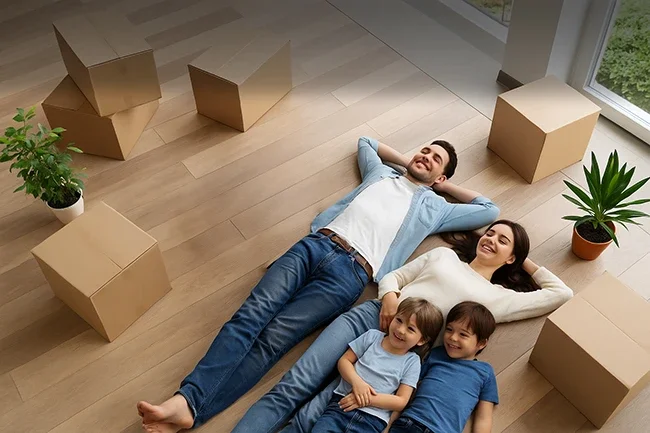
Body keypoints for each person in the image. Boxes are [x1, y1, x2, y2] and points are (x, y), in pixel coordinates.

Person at [137, 136, 500, 432]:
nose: (426, 156)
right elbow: (367, 142)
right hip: (315, 245)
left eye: (436, 159)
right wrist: (409, 162)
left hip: (353, 273)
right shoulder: (381, 175)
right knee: (249, 317)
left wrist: (439, 184)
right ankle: (187, 401)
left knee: (273, 340)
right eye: (425, 149)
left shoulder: (435, 206)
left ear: (442, 178)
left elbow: (489, 209)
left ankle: (190, 410)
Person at [233, 219, 573, 433]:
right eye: (491, 232)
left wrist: (522, 254)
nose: (491, 240)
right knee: (295, 384)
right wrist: (391, 296)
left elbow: (561, 293)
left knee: (325, 407)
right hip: (374, 318)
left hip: (405, 354)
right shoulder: (443, 256)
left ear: (511, 258)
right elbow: (396, 276)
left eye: (503, 241)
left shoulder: (498, 298)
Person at [312, 298, 443, 433]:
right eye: (399, 320)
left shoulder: (412, 362)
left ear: (421, 340)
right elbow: (344, 361)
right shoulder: (372, 337)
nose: (400, 329)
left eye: (410, 329)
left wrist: (367, 399)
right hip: (342, 406)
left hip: (372, 421)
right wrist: (358, 383)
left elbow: (401, 401)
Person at [388, 301, 498, 433]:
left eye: (463, 334)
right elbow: (409, 387)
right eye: (449, 329)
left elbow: (483, 418)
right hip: (409, 422)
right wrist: (389, 423)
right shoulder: (436, 354)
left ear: (481, 343)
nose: (453, 337)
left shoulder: (485, 372)